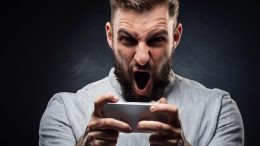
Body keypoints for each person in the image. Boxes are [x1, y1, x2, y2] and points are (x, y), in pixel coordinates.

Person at [39, 0, 244, 145]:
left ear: (176, 37)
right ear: (110, 36)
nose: (142, 57)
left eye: (156, 39)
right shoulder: (64, 111)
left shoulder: (219, 111)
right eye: (128, 39)